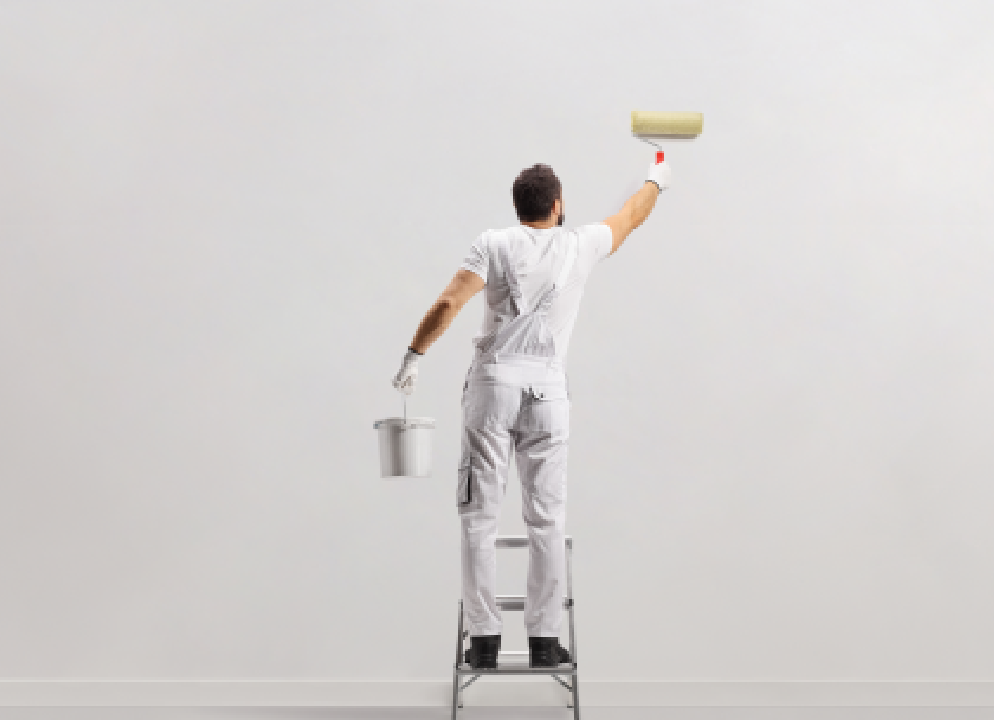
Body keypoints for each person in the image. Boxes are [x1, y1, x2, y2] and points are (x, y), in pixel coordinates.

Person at [391, 158, 671, 669]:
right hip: (548, 394)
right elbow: (632, 216)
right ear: (558, 206)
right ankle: (544, 642)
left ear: (517, 207)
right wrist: (658, 177)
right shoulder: (580, 244)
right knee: (547, 519)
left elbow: (451, 300)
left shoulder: (494, 243)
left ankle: (483, 643)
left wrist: (414, 354)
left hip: (493, 390)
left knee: (479, 518)